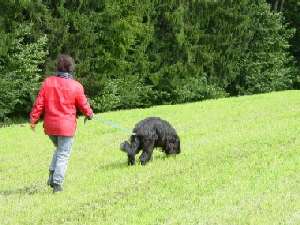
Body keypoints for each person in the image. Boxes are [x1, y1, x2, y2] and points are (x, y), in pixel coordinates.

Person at [30, 54, 93, 193]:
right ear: (71, 69)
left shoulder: (48, 82)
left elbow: (39, 103)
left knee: (59, 150)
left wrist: (33, 120)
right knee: (64, 153)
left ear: (58, 67)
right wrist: (89, 114)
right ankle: (57, 184)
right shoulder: (76, 86)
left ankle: (52, 174)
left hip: (50, 127)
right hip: (66, 127)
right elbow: (83, 104)